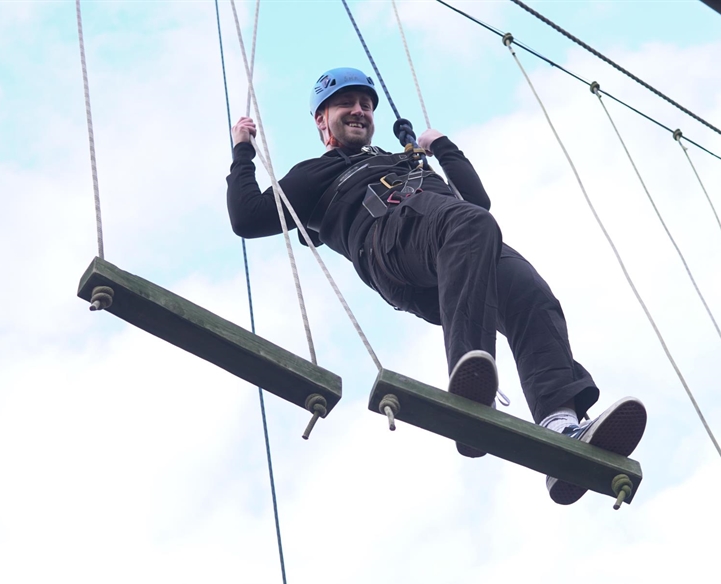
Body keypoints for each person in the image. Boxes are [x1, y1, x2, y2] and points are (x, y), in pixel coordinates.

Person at [226, 67, 646, 505]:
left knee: (532, 298)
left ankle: (561, 426)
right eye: (346, 104)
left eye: (366, 105)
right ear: (321, 120)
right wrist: (242, 150)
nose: (359, 111)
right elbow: (248, 217)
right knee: (469, 225)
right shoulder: (316, 174)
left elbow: (477, 202)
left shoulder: (403, 159)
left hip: (458, 246)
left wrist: (441, 148)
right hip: (391, 243)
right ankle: (469, 372)